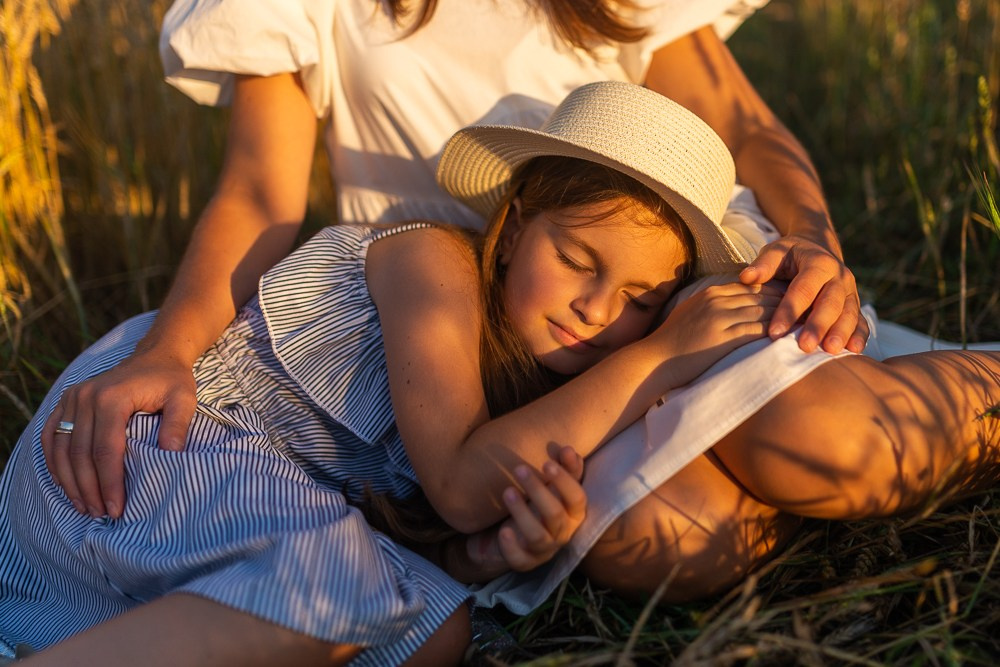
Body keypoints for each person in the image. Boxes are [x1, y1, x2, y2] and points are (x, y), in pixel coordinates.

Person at [8, 81, 999, 664]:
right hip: (163, 438)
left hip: (251, 499)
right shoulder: (424, 256)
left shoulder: (557, 361)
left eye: (647, 299)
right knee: (345, 584)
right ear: (514, 220)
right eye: (578, 261)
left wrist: (486, 556)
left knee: (436, 632)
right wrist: (660, 355)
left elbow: (462, 514)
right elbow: (459, 479)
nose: (600, 311)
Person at [43, 0, 869, 527]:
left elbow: (746, 129)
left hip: (645, 305)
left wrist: (815, 247)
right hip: (445, 335)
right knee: (681, 529)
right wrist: (169, 349)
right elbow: (261, 191)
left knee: (810, 432)